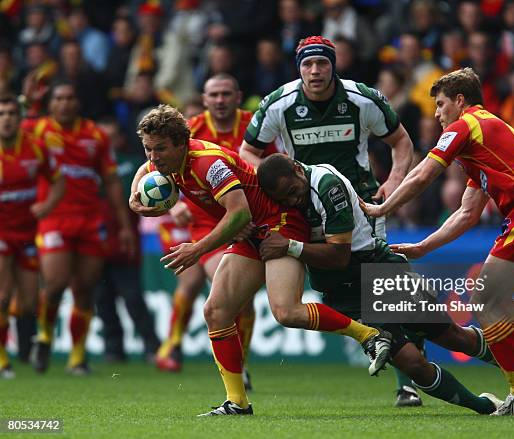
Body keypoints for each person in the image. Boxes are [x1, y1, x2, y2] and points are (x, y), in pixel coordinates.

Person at [129, 104, 393, 416]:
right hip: (249, 233)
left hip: (279, 223)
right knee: (216, 311)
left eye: (159, 149)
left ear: (180, 143)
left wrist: (197, 249)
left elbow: (239, 211)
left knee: (286, 311)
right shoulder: (164, 164)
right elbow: (143, 172)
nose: (153, 157)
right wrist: (135, 200)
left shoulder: (207, 164)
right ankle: (237, 402)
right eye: (148, 149)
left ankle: (370, 335)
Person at [361, 68, 514, 415]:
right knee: (498, 299)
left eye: (441, 104)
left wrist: (383, 206)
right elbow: (466, 213)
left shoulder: (467, 125)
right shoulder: (488, 137)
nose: (436, 114)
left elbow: (423, 173)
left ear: (460, 101)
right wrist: (423, 247)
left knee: (483, 299)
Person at [239, 35, 421, 407]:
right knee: (338, 292)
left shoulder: (362, 98)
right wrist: (272, 187)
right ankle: (374, 341)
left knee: (387, 294)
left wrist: (394, 181)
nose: (315, 70)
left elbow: (402, 141)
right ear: (299, 68)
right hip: (301, 212)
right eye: (308, 64)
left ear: (333, 65)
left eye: (322, 63)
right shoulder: (279, 103)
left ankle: (409, 383)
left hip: (359, 208)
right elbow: (248, 153)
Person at [256, 154, 514, 415]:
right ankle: (487, 407)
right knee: (412, 363)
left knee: (451, 336)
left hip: (375, 271)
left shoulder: (326, 186)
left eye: (292, 192)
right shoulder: (288, 197)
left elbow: (339, 256)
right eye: (284, 199)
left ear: (298, 170)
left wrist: (291, 246)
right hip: (343, 294)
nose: (292, 201)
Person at [155, 75, 271, 389]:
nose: (220, 100)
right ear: (204, 100)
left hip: (247, 218)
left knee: (243, 301)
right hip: (205, 220)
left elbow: (272, 168)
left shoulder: (257, 127)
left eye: (225, 94)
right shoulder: (188, 129)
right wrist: (171, 204)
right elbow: (155, 161)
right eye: (213, 95)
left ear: (238, 97)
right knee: (202, 285)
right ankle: (173, 343)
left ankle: (240, 365)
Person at [29, 80, 136, 375]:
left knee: (86, 289)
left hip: (91, 219)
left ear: (77, 103)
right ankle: (46, 335)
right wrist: (29, 102)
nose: (64, 103)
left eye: (69, 97)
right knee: (55, 284)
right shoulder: (38, 130)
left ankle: (77, 357)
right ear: (51, 104)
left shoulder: (96, 135)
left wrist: (123, 225)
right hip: (55, 217)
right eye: (59, 98)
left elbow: (112, 181)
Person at [0, 94, 64, 378]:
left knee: (27, 304)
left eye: (12, 113)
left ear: (19, 117)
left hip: (26, 233)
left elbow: (59, 180)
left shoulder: (35, 148)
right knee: (2, 296)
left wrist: (48, 204)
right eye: (1, 114)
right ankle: (2, 361)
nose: (7, 119)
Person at [94, 117, 160, 363]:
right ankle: (114, 349)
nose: (108, 144)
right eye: (104, 139)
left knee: (132, 297)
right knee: (102, 299)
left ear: (121, 140)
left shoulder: (134, 166)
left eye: (112, 138)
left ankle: (152, 347)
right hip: (95, 244)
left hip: (124, 243)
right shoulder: (90, 167)